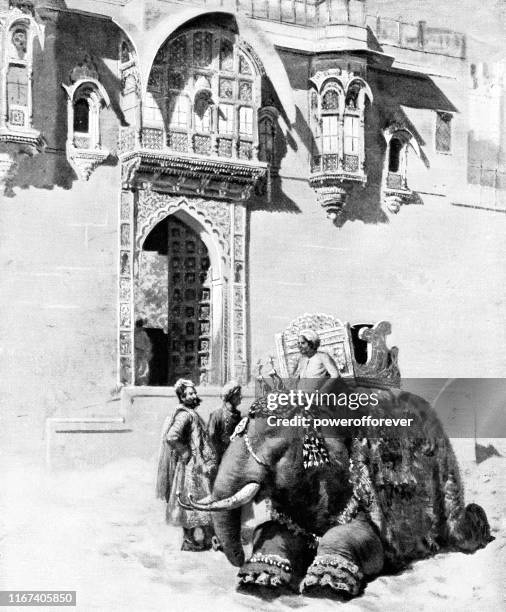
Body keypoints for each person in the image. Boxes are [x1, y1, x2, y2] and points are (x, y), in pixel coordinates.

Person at [156, 378, 217, 551]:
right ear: (182, 397)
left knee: (201, 499)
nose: (193, 395)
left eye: (194, 392)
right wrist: (185, 452)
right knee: (190, 502)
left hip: (198, 466)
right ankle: (189, 540)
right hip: (191, 467)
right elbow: (171, 437)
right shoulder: (184, 415)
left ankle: (206, 538)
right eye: (189, 393)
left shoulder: (191, 413)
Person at [207, 380, 243, 462]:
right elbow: (211, 436)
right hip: (219, 458)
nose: (241, 396)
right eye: (238, 394)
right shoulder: (217, 414)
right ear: (230, 396)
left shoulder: (239, 416)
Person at [134, 318, 152, 385]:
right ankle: (139, 381)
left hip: (140, 351)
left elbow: (148, 343)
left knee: (141, 366)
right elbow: (148, 343)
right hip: (138, 351)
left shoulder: (142, 333)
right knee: (141, 367)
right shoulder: (140, 333)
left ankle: (140, 381)